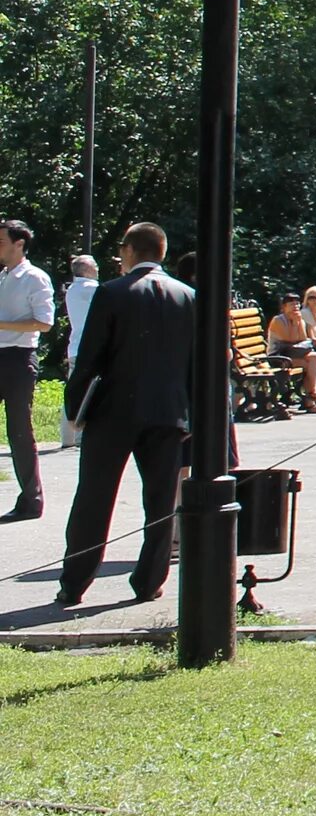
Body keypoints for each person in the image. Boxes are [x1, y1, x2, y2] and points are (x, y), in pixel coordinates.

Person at [54, 223, 193, 606]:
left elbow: (91, 357)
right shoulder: (189, 296)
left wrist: (76, 408)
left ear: (129, 250)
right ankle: (149, 582)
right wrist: (190, 415)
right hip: (168, 413)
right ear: (162, 251)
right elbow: (196, 363)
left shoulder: (112, 292)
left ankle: (75, 583)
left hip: (114, 411)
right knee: (161, 502)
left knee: (94, 499)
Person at [0, 216, 53, 520]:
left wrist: (2, 325)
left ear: (19, 244)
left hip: (19, 359)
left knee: (19, 431)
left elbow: (44, 323)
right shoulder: (4, 276)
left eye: (1, 241)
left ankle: (31, 502)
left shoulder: (34, 277)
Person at [59, 255, 98, 449]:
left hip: (75, 346)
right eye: (95, 266)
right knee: (89, 391)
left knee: (72, 390)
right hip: (90, 347)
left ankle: (67, 437)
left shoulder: (72, 289)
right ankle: (82, 436)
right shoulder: (93, 289)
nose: (97, 269)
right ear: (87, 269)